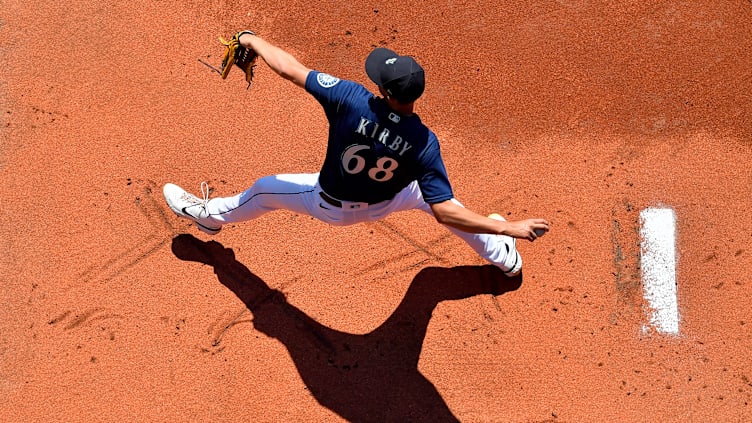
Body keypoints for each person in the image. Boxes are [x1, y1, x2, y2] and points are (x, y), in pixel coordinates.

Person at [163, 31, 550, 276]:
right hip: (389, 200)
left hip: (330, 204)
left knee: (264, 191)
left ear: (384, 91)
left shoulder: (350, 99)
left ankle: (208, 218)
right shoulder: (424, 142)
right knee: (442, 203)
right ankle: (504, 255)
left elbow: (290, 69)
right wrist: (508, 227)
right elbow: (445, 210)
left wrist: (252, 40)